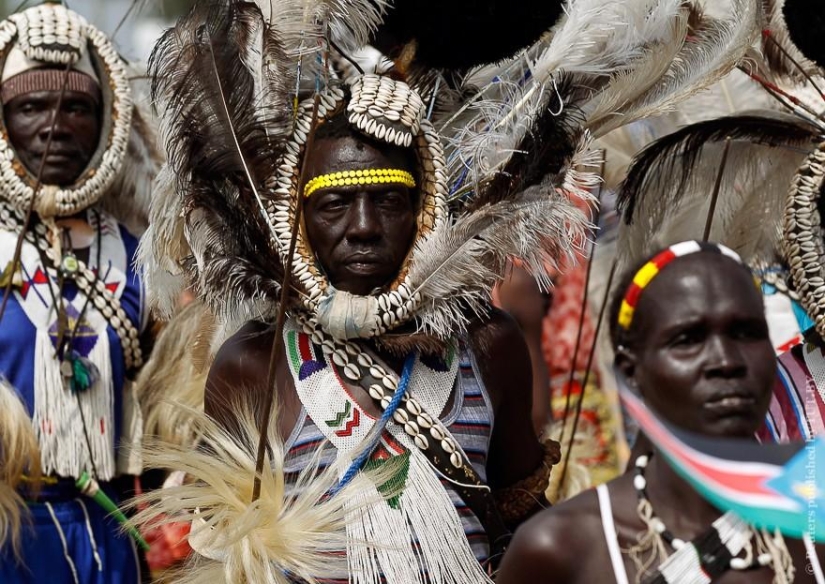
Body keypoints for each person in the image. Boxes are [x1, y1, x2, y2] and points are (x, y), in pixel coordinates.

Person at [496, 241, 825, 584]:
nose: (726, 361)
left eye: (747, 333)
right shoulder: (563, 550)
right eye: (687, 339)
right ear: (631, 372)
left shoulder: (812, 525)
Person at [0, 4, 159, 583]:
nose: (55, 126)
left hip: (111, 537)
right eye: (30, 106)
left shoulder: (142, 258)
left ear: (107, 121)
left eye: (78, 108)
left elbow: (172, 411)